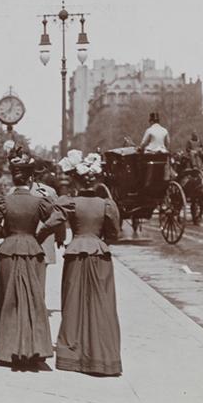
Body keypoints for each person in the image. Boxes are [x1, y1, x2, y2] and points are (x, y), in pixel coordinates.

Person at [38, 150, 123, 376]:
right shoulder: (106, 204)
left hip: (75, 254)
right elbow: (114, 233)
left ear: (76, 180)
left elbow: (49, 224)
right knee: (101, 303)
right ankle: (102, 357)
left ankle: (72, 355)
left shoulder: (70, 203)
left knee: (73, 302)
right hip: (100, 255)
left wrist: (35, 236)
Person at [0, 148, 54, 368]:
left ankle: (8, 350)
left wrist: (7, 235)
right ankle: (35, 349)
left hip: (8, 251)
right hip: (33, 250)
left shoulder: (2, 201)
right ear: (30, 177)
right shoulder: (39, 202)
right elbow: (56, 218)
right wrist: (38, 236)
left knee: (9, 298)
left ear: (13, 177)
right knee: (34, 298)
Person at [31, 162, 59, 293]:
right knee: (41, 275)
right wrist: (60, 236)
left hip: (25, 236)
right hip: (44, 237)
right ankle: (39, 301)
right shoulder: (50, 191)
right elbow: (58, 215)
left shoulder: (17, 190)